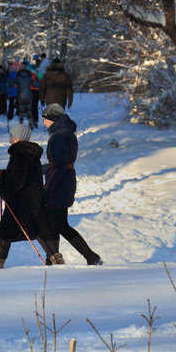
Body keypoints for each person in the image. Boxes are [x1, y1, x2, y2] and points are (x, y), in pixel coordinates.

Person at [39, 104, 102, 265]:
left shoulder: (59, 136)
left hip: (60, 185)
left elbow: (59, 165)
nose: (44, 123)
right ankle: (54, 259)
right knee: (57, 223)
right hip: (64, 182)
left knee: (58, 224)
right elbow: (60, 164)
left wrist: (48, 188)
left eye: (45, 119)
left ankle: (90, 256)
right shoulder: (65, 133)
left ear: (53, 119)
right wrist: (38, 169)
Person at [0, 124, 61, 268]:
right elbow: (25, 175)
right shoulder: (31, 153)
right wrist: (5, 175)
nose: (10, 140)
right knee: (36, 230)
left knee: (8, 231)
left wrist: (1, 187)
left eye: (11, 136)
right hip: (33, 199)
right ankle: (56, 259)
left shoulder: (19, 153)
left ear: (17, 138)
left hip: (21, 201)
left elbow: (17, 179)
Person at [14, 61, 34, 126]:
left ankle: (21, 123)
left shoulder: (18, 76)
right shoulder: (29, 75)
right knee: (29, 110)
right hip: (28, 95)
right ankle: (30, 123)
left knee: (21, 110)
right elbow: (35, 84)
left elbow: (12, 84)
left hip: (20, 95)